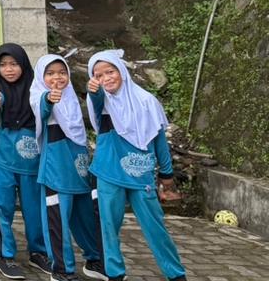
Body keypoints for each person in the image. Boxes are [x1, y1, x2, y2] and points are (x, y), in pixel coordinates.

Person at [86, 50, 186, 281]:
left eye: (110, 71)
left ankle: (176, 274)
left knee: (155, 226)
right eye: (98, 75)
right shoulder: (102, 102)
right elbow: (96, 99)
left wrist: (167, 173)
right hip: (109, 174)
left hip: (141, 174)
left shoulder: (147, 101)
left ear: (121, 71)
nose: (106, 78)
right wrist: (94, 91)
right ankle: (115, 274)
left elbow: (159, 141)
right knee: (109, 228)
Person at [30, 54, 106, 281]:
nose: (57, 77)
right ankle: (62, 270)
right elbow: (41, 108)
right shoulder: (39, 95)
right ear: (41, 77)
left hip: (79, 164)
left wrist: (96, 93)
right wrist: (49, 99)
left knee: (86, 216)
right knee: (58, 220)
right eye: (50, 73)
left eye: (62, 72)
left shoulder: (71, 98)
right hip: (56, 167)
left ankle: (94, 260)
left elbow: (95, 111)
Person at [0, 44, 50, 278]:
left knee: (34, 210)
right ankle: (5, 255)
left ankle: (38, 252)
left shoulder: (36, 91)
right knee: (2, 207)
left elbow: (45, 108)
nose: (9, 69)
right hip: (4, 161)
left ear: (23, 65)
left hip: (31, 164)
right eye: (3, 65)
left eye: (14, 64)